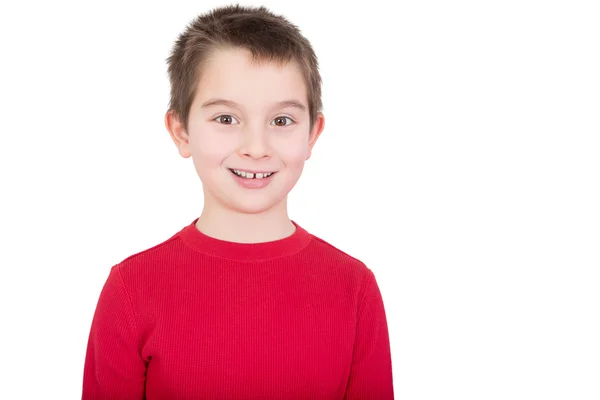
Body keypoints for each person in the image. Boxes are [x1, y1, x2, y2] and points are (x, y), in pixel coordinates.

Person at [82, 4, 394, 399]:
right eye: (226, 119)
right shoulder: (130, 290)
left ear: (312, 134)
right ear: (181, 131)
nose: (256, 148)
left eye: (281, 121)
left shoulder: (354, 289)